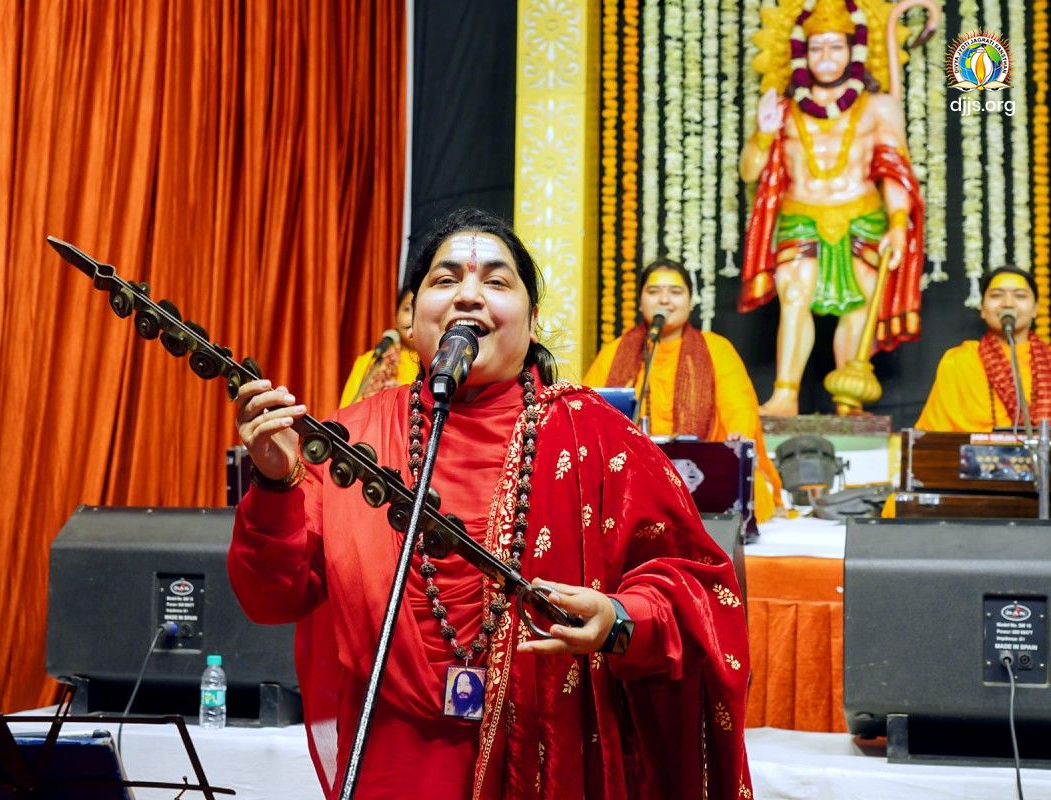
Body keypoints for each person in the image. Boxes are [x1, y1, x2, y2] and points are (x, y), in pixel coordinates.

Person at [228, 209, 752, 799]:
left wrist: (622, 618)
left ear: (531, 323)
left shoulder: (595, 435)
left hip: (553, 754)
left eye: (497, 283)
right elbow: (273, 597)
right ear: (413, 315)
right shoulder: (355, 440)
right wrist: (274, 484)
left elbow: (700, 586)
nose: (469, 297)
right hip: (394, 761)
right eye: (445, 280)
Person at [738, 0, 925, 416]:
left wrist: (898, 223)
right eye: (817, 47)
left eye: (835, 47)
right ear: (802, 51)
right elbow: (750, 172)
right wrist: (763, 135)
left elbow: (894, 169)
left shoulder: (879, 106)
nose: (826, 57)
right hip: (800, 215)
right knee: (795, 294)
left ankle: (849, 398)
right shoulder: (782, 108)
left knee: (859, 301)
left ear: (853, 50)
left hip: (862, 214)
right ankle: (785, 394)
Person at [583, 259, 783, 525]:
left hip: (698, 471)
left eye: (675, 292)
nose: (664, 300)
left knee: (747, 490)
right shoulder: (615, 353)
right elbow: (586, 412)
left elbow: (739, 405)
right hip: (633, 473)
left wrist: (739, 434)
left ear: (690, 303)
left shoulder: (717, 349)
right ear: (640, 302)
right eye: (654, 292)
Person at [916, 267, 1051, 432]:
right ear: (982, 309)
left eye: (1020, 296)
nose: (1008, 303)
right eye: (996, 295)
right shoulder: (959, 362)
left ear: (1035, 309)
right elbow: (933, 440)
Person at [339, 289, 420, 407]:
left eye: (418, 310)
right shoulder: (371, 361)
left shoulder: (438, 364)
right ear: (396, 318)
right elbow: (347, 412)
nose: (412, 317)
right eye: (408, 309)